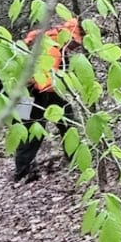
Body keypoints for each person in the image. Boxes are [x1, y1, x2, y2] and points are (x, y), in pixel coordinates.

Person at [13, 17, 82, 183]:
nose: (75, 47)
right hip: (33, 92)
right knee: (32, 129)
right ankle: (23, 171)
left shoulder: (49, 39)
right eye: (74, 43)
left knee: (65, 116)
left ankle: (74, 157)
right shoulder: (52, 47)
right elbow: (44, 79)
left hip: (27, 90)